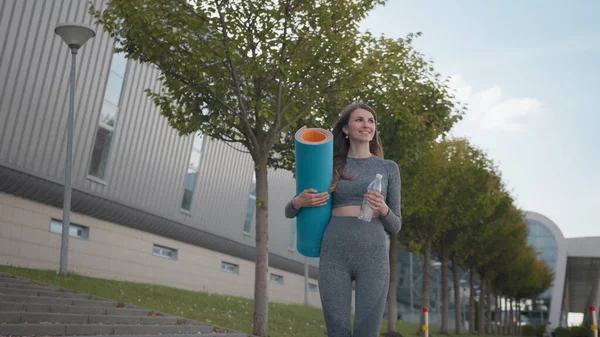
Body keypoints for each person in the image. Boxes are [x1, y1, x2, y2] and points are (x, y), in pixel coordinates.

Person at [285, 102, 402, 337]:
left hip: (373, 254)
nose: (366, 125)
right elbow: (290, 211)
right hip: (335, 251)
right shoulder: (329, 165)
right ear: (346, 129)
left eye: (371, 121)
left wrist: (384, 209)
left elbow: (396, 226)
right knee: (337, 329)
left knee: (366, 331)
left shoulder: (388, 168)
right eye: (359, 120)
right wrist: (299, 201)